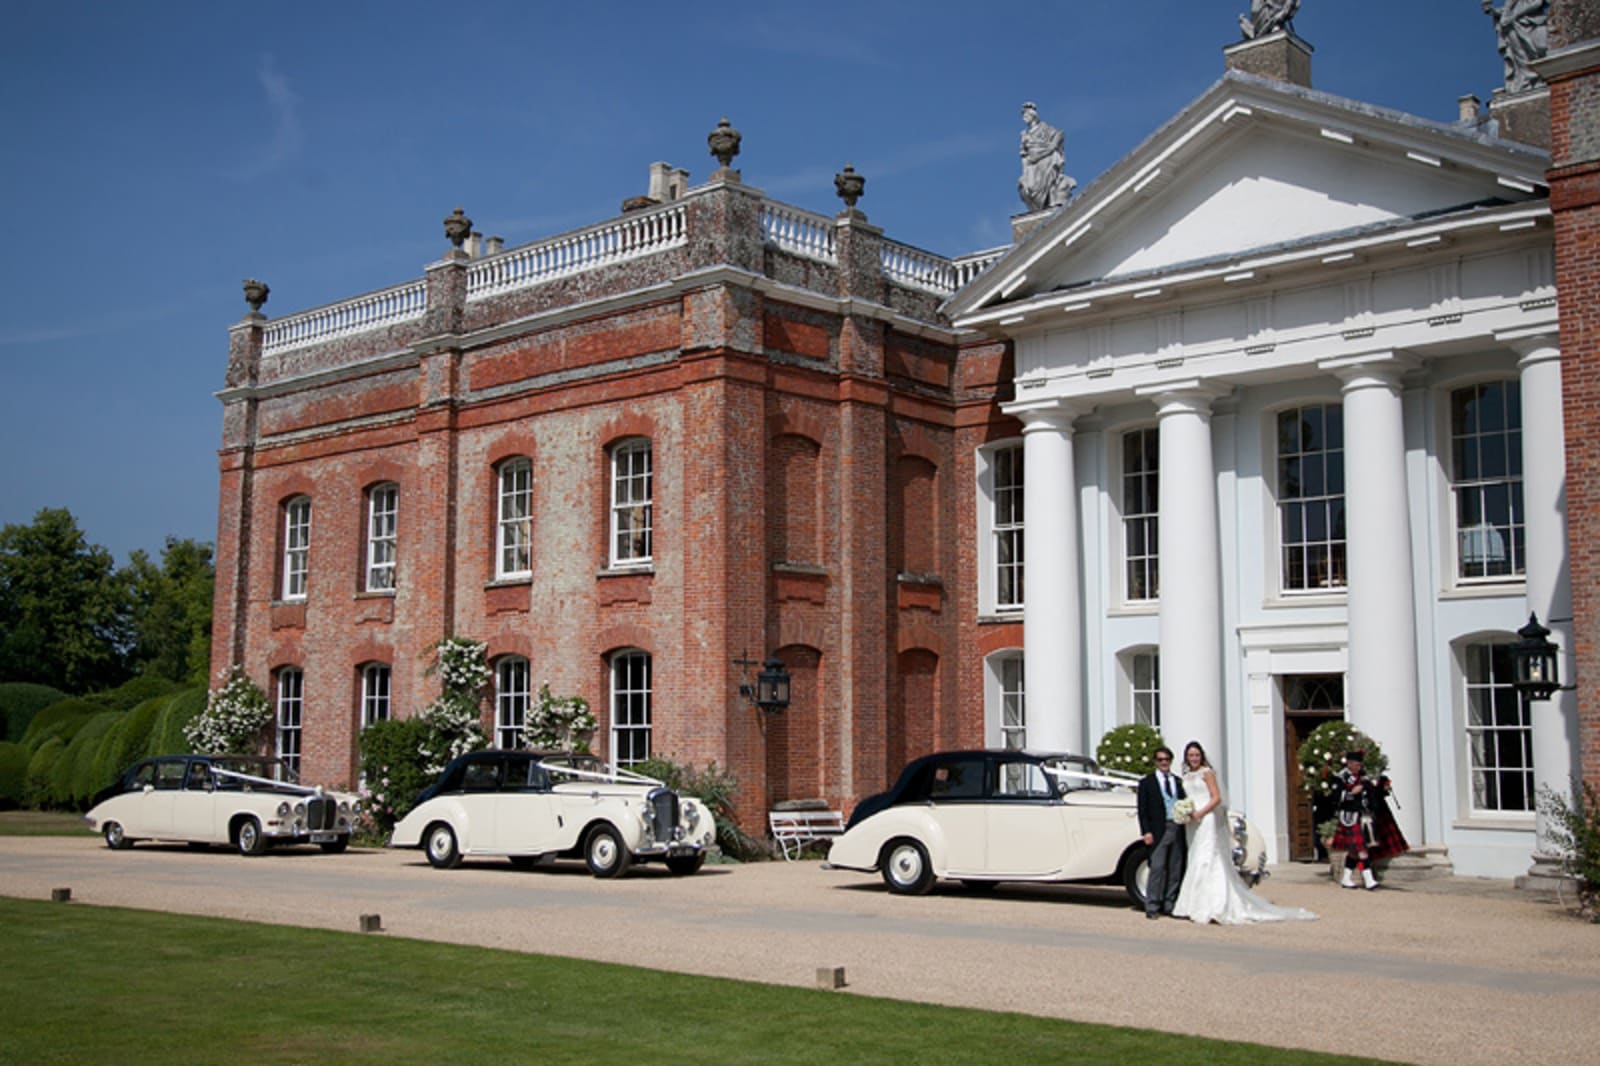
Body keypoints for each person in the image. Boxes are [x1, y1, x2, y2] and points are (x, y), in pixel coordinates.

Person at [1173, 740, 1317, 925]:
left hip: (1206, 818)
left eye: (1196, 755)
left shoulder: (1207, 773)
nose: (1194, 758)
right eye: (1191, 755)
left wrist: (1200, 813)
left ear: (1201, 756)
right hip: (1192, 822)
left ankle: (1214, 905)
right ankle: (1193, 905)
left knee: (1207, 857)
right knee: (1195, 857)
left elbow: (1216, 798)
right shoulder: (1186, 776)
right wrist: (1185, 812)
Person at [1330, 750, 1409, 890]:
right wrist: (1352, 792)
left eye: (1360, 765)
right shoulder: (1340, 778)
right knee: (1362, 849)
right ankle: (1369, 879)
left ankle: (1346, 878)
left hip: (1365, 817)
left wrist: (1382, 787)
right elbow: (1335, 797)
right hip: (1350, 816)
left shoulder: (1363, 777)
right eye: (1356, 765)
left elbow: (1373, 793)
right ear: (1349, 764)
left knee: (1355, 852)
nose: (1359, 767)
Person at [1137, 746, 1187, 919]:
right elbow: (1142, 810)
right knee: (1157, 868)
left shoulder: (1177, 781)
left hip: (1177, 827)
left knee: (1175, 868)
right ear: (1155, 762)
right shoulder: (1147, 782)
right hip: (1158, 829)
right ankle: (1152, 905)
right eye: (1160, 760)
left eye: (1166, 759)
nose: (1164, 762)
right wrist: (1146, 831)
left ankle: (1169, 903)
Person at [1018, 103, 1075, 213]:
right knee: (1026, 186)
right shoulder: (1025, 134)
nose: (1024, 118)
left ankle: (1049, 200)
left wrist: (1051, 147)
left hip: (1045, 161)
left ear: (1032, 115)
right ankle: (1038, 208)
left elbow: (1059, 135)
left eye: (1026, 115)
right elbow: (1025, 155)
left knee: (1045, 183)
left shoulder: (1045, 128)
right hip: (1032, 164)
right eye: (1023, 116)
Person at [1483, 0, 1549, 94]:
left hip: (1534, 21)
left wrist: (1514, 15)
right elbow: (1507, 10)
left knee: (1541, 49)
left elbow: (1537, 2)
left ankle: (1541, 78)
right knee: (1520, 56)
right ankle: (1528, 82)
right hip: (1513, 25)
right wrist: (1492, 11)